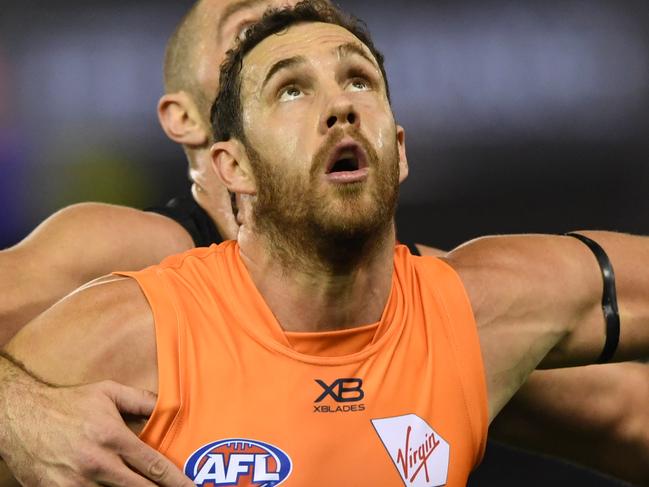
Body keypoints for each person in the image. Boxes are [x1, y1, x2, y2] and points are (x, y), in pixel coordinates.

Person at [3, 2, 649, 485]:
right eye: (287, 83)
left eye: (357, 79)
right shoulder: (129, 285)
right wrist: (23, 417)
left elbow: (622, 412)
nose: (336, 104)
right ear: (221, 150)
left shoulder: (455, 310)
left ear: (399, 148)